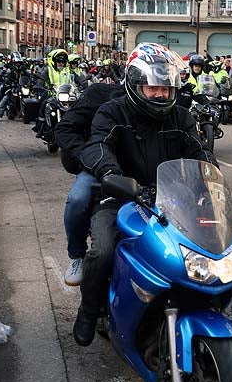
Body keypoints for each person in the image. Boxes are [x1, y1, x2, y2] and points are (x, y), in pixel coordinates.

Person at [73, 44, 215, 346]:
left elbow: (198, 150)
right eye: (153, 87)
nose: (161, 94)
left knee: (206, 244)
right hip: (121, 196)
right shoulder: (113, 111)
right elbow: (98, 145)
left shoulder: (181, 117)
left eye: (166, 87)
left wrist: (209, 177)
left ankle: (194, 302)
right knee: (104, 250)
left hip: (171, 198)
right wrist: (111, 175)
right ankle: (89, 310)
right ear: (136, 85)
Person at [55, 77, 125, 286]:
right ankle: (76, 256)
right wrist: (89, 155)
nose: (157, 91)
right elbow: (65, 129)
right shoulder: (99, 95)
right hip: (97, 167)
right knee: (78, 199)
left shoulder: (160, 100)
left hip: (136, 168)